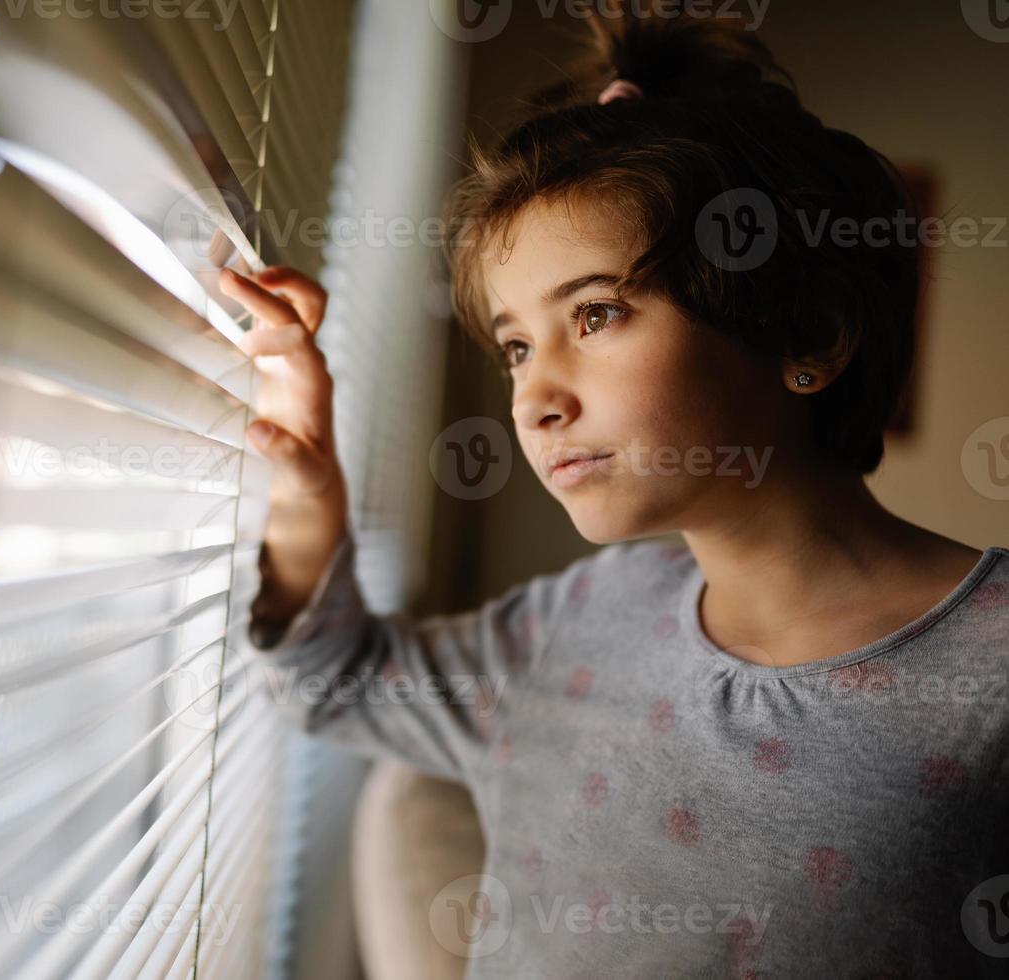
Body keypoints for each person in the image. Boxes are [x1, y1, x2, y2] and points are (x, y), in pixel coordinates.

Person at [217, 4, 1009, 977]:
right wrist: (306, 480)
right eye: (515, 345)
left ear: (809, 334)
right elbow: (327, 677)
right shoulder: (568, 627)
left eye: (596, 313)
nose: (535, 397)